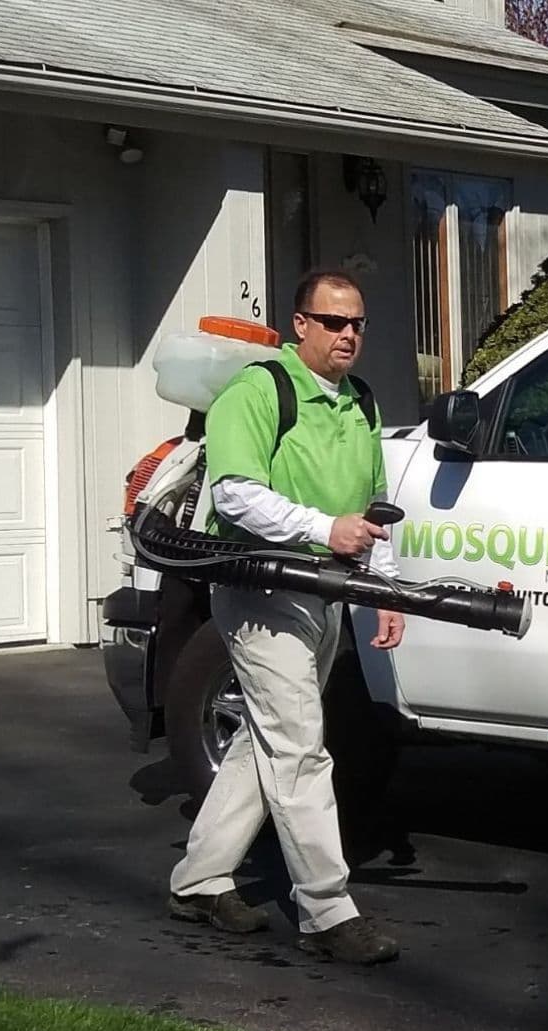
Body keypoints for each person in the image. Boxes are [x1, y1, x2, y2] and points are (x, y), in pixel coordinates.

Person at [165, 269, 405, 965]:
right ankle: (327, 910)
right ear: (300, 324)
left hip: (320, 594)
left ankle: (199, 880)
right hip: (258, 593)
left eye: (357, 323)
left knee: (262, 741)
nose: (349, 335)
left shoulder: (359, 401)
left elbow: (375, 510)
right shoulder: (259, 391)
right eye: (334, 323)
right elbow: (236, 495)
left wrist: (383, 589)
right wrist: (324, 528)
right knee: (299, 746)